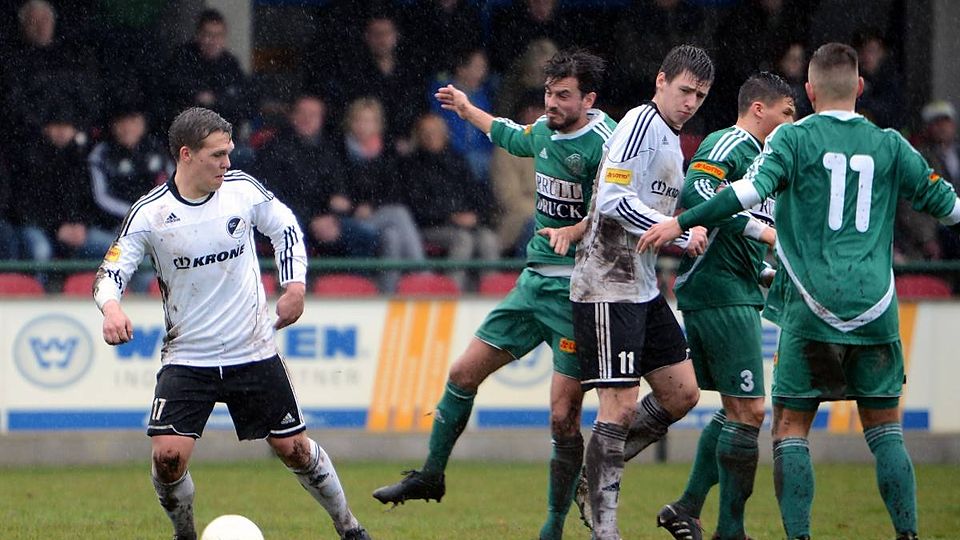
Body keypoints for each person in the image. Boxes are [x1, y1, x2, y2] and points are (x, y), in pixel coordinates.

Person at [639, 43, 960, 540]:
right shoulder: (891, 144)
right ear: (859, 87)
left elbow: (743, 193)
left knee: (788, 428)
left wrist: (681, 222)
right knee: (885, 430)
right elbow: (950, 209)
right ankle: (908, 535)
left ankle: (791, 534)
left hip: (808, 308)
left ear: (809, 91)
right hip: (874, 307)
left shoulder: (792, 140)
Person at [93, 107, 371, 540]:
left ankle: (349, 527)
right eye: (217, 155)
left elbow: (286, 228)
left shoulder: (242, 190)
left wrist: (294, 285)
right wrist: (111, 308)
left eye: (229, 153)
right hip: (189, 355)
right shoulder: (150, 213)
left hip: (251, 347)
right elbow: (111, 272)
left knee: (294, 449)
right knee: (168, 458)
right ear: (186, 155)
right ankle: (185, 534)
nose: (227, 163)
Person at [372, 49, 616, 540]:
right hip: (533, 285)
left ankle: (553, 526)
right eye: (548, 92)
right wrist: (467, 109)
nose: (551, 103)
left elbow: (619, 207)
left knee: (562, 417)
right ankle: (431, 475)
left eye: (563, 95)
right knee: (462, 373)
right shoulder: (544, 130)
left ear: (588, 99)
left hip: (578, 292)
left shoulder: (607, 144)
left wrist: (577, 230)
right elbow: (510, 134)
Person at [568, 44, 712, 540]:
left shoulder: (670, 137)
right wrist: (676, 230)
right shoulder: (640, 123)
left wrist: (683, 226)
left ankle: (594, 474)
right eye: (685, 90)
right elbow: (612, 199)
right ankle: (605, 529)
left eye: (700, 96)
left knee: (682, 393)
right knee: (620, 406)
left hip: (642, 286)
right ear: (661, 82)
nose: (690, 102)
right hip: (607, 282)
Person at [657, 72, 795, 540]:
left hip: (734, 286)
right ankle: (729, 530)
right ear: (759, 109)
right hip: (717, 290)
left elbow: (733, 235)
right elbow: (697, 193)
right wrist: (762, 232)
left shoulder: (764, 161)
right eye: (786, 113)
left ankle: (686, 507)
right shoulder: (730, 142)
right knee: (749, 411)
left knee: (737, 410)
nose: (791, 123)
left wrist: (767, 273)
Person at [399, 112, 498, 290]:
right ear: (418, 136)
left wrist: (476, 217)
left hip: (466, 224)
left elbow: (478, 195)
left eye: (435, 132)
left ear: (444, 134)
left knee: (488, 239)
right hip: (430, 227)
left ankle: (490, 294)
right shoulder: (411, 166)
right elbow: (416, 208)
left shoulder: (457, 161)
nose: (431, 137)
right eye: (426, 133)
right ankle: (453, 293)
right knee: (463, 240)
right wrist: (450, 217)